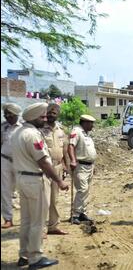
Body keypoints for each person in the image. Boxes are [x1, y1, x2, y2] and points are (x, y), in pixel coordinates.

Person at [11, 102, 69, 269]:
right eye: (42, 117)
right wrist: (59, 181)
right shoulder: (33, 135)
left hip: (22, 179)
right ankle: (35, 257)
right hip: (35, 180)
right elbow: (43, 162)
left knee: (26, 221)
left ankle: (23, 255)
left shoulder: (17, 132)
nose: (45, 119)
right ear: (33, 118)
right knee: (37, 221)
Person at [40, 103, 69, 235]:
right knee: (44, 200)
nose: (51, 115)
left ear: (58, 115)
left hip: (57, 167)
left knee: (54, 200)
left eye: (54, 113)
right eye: (49, 113)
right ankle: (40, 230)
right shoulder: (40, 130)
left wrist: (65, 167)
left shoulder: (61, 131)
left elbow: (64, 151)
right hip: (44, 168)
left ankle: (53, 226)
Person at [68, 114, 97, 225]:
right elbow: (71, 146)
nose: (92, 125)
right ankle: (75, 214)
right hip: (80, 166)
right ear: (84, 123)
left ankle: (82, 213)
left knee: (86, 191)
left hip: (89, 166)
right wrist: (73, 160)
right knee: (82, 189)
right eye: (91, 123)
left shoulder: (86, 134)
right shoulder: (76, 132)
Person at [1, 103, 22, 229]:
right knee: (5, 191)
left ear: (16, 115)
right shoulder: (3, 127)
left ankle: (27, 219)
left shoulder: (24, 127)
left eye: (10, 114)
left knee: (24, 190)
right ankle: (8, 219)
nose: (7, 117)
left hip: (20, 162)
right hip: (4, 161)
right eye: (6, 115)